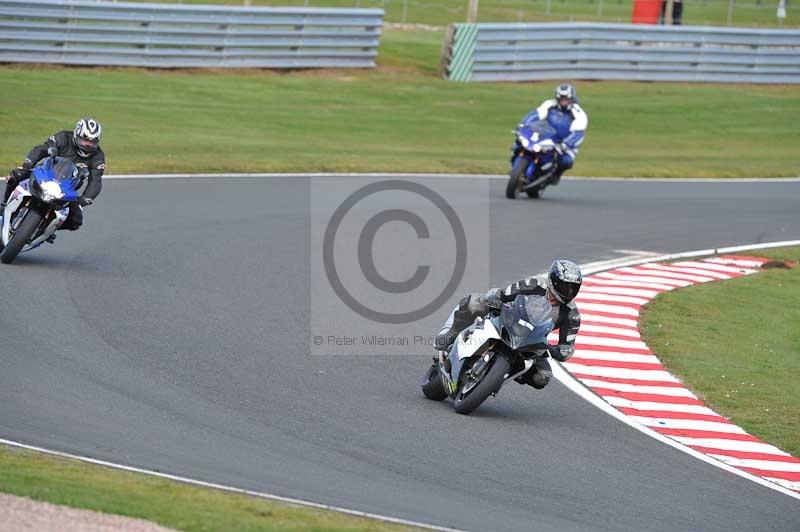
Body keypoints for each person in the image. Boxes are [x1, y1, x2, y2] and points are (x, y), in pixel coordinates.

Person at [434, 259, 582, 390]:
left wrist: (556, 350)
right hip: (510, 319)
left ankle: (501, 373)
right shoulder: (535, 284)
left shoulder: (572, 314)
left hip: (533, 341)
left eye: (573, 288)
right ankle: (451, 332)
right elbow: (504, 293)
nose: (569, 291)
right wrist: (495, 300)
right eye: (565, 286)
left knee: (543, 377)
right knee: (475, 302)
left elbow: (567, 347)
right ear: (554, 280)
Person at [3, 118, 104, 238]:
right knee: (17, 175)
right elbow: (41, 149)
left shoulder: (98, 156)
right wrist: (27, 165)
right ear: (77, 135)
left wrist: (86, 198)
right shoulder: (63, 137)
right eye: (85, 140)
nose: (88, 144)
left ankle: (48, 228)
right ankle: (4, 205)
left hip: (67, 188)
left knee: (76, 220)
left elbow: (96, 180)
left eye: (92, 142)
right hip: (45, 173)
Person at [517, 84, 588, 185]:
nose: (563, 101)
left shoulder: (579, 114)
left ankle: (555, 175)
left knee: (565, 161)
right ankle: (517, 165)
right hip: (547, 136)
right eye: (561, 98)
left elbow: (578, 134)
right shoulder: (550, 104)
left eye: (566, 98)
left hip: (565, 144)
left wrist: (565, 145)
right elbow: (536, 114)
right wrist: (523, 124)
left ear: (571, 98)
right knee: (520, 143)